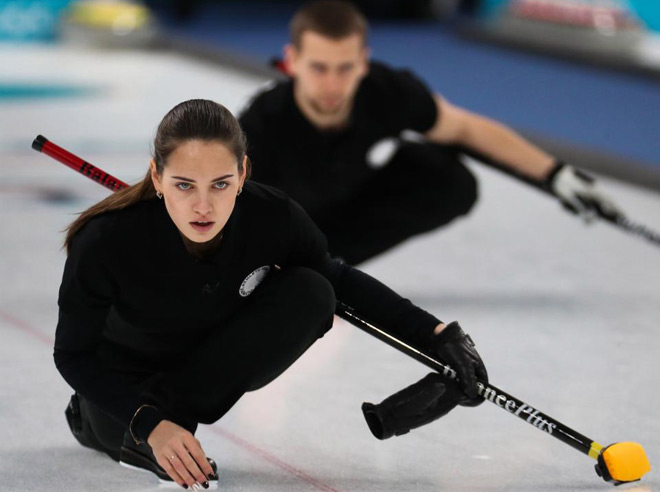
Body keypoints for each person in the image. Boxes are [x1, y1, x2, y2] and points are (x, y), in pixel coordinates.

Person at [54, 99, 488, 489]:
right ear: (157, 175)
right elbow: (73, 355)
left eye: (220, 184)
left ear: (242, 174)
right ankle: (148, 434)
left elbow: (339, 280)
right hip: (123, 388)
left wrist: (437, 335)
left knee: (313, 290)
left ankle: (177, 417)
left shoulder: (271, 216)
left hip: (201, 367)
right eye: (184, 185)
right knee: (125, 425)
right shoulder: (106, 241)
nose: (203, 207)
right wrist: (149, 423)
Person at [238, 0, 623, 265]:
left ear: (363, 62)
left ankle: (331, 262)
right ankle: (305, 265)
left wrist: (555, 174)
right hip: (286, 229)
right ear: (292, 61)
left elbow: (468, 129)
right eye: (320, 68)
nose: (333, 84)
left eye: (346, 68)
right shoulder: (261, 123)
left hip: (345, 213)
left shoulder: (387, 90)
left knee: (450, 179)